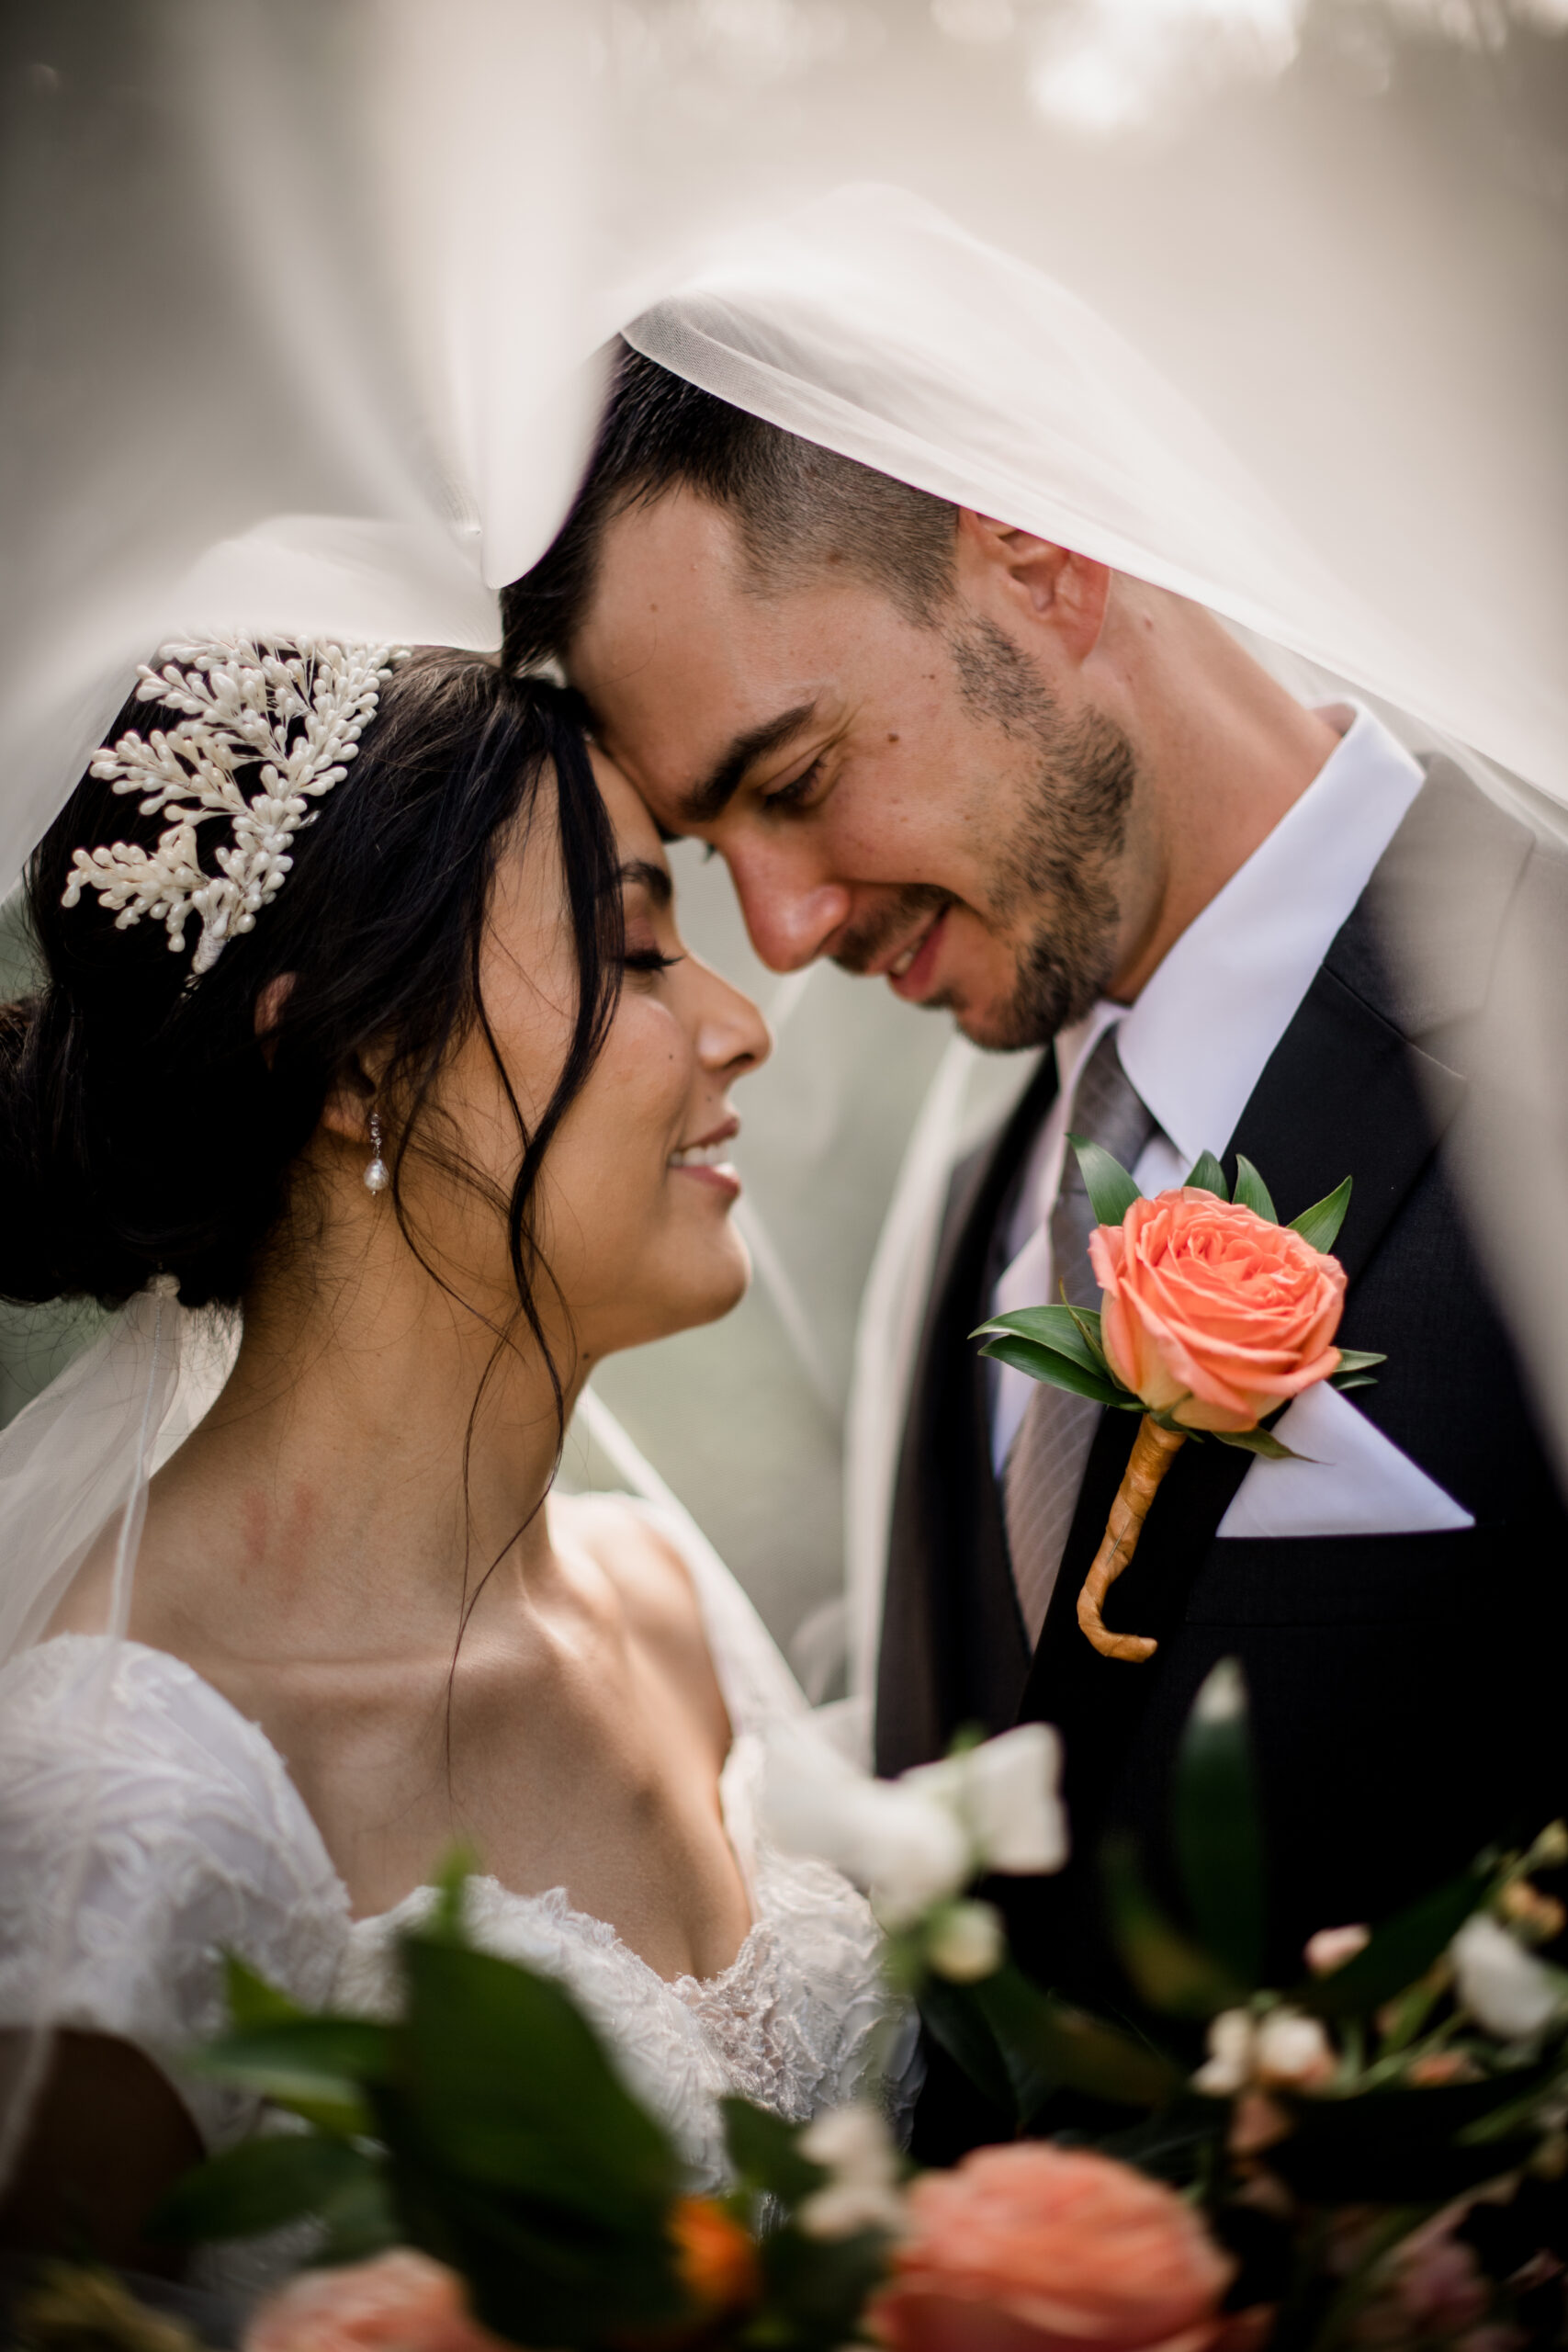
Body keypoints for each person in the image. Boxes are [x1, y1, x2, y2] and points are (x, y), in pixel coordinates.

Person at [501, 192, 1568, 2154]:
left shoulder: (1545, 1023)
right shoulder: (979, 1195)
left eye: (795, 777)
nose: (786, 925)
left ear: (1036, 548)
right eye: (708, 840)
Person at [0, 641, 905, 2288]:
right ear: (356, 1066)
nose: (740, 1022)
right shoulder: (122, 1806)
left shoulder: (667, 1601)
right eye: (636, 949)